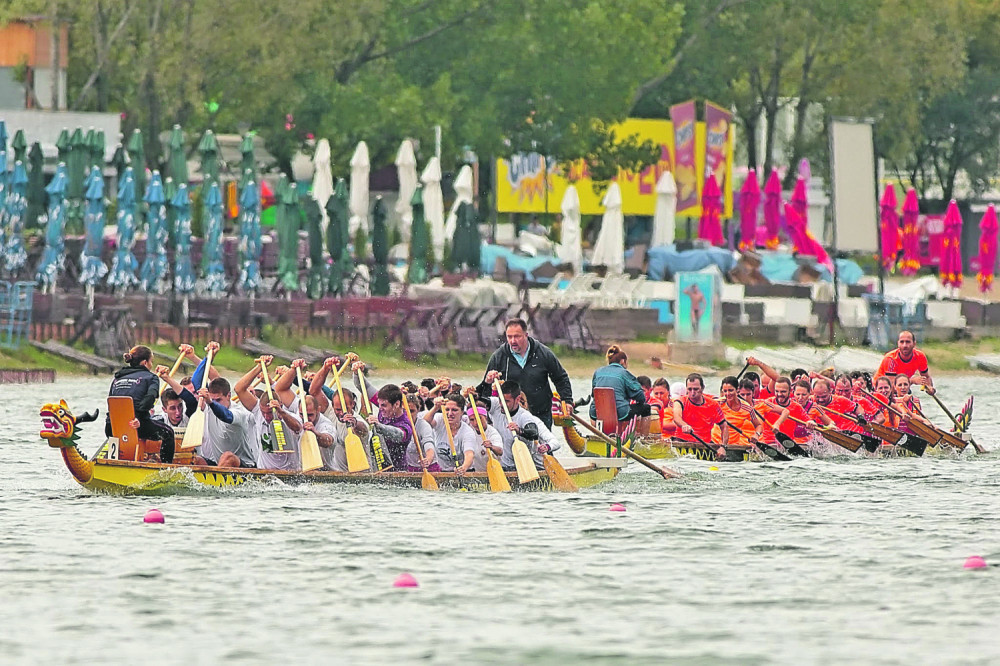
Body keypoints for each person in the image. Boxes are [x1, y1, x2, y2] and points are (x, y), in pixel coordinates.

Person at [480, 318, 573, 429]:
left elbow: (561, 378)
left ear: (526, 335)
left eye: (517, 336)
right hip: (511, 416)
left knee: (542, 440)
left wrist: (567, 400)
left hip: (541, 414)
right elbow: (484, 392)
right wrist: (487, 382)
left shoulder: (544, 353)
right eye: (509, 337)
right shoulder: (499, 357)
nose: (513, 341)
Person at [105, 345, 175, 463]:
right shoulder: (151, 378)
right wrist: (138, 418)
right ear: (144, 362)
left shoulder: (117, 379)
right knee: (168, 433)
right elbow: (150, 398)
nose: (151, 365)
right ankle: (166, 468)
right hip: (136, 425)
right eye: (151, 362)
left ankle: (116, 459)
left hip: (111, 428)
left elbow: (112, 403)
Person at [480, 379, 560, 470]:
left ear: (518, 400)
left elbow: (546, 438)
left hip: (535, 466)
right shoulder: (499, 409)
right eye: (502, 401)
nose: (521, 405)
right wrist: (486, 383)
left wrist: (547, 447)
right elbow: (479, 400)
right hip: (508, 466)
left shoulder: (530, 419)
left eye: (522, 402)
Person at [353, 360, 413, 470]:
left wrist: (379, 426)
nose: (380, 408)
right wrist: (357, 373)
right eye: (379, 404)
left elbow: (396, 434)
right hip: (378, 468)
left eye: (384, 405)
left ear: (397, 404)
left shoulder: (405, 424)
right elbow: (363, 387)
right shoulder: (385, 406)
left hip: (397, 472)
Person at [423, 393, 485, 475]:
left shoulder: (467, 432)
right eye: (447, 409)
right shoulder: (440, 419)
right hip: (443, 471)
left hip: (464, 471)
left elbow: (469, 454)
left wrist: (463, 468)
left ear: (462, 412)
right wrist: (435, 407)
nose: (450, 414)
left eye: (454, 410)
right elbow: (425, 423)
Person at [589, 345, 650, 423]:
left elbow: (594, 394)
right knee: (646, 408)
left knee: (594, 408)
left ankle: (597, 430)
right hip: (620, 413)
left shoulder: (598, 372)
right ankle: (643, 432)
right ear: (622, 361)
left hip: (596, 413)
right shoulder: (624, 373)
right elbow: (640, 397)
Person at [672, 373, 728, 457]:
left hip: (705, 444)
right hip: (681, 441)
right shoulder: (680, 401)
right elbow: (677, 418)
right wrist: (684, 425)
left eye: (696, 389)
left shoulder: (713, 405)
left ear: (702, 388)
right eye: (689, 389)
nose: (692, 393)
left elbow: (724, 426)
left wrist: (723, 447)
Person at [711, 376, 763, 446]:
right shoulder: (718, 403)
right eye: (725, 391)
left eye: (730, 390)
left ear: (737, 390)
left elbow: (759, 425)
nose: (727, 394)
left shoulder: (747, 408)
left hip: (733, 446)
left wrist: (756, 434)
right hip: (714, 443)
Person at [403, 389, 440, 472]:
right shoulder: (397, 425)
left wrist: (428, 460)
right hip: (409, 468)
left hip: (429, 468)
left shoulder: (424, 426)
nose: (408, 415)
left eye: (411, 411)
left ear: (418, 410)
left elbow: (429, 446)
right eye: (405, 411)